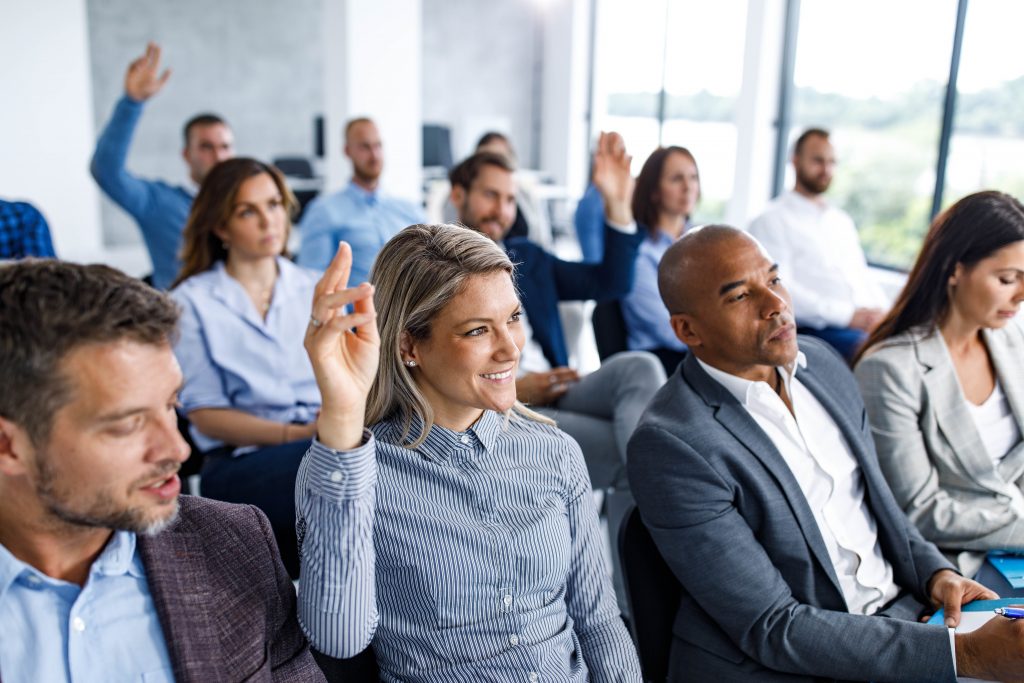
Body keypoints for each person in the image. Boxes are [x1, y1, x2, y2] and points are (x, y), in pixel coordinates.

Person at [627, 224, 1024, 682]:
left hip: (906, 618)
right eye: (740, 296)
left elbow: (882, 512)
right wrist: (964, 656)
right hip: (793, 662)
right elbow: (771, 627)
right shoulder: (671, 444)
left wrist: (937, 576)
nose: (776, 304)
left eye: (774, 280)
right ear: (688, 330)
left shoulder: (823, 366)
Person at [294, 225, 642, 681]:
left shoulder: (554, 453)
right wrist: (341, 412)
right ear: (408, 345)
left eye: (513, 318)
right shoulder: (356, 471)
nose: (510, 349)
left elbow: (599, 624)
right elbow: (339, 639)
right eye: (478, 330)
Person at [0, 260, 323, 682]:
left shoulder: (235, 547)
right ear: (9, 446)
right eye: (128, 423)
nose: (177, 448)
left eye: (171, 405)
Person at [448, 138, 666, 491]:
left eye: (509, 200)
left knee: (640, 369)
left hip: (555, 387)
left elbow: (610, 283)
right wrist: (514, 388)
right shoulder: (438, 273)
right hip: (494, 409)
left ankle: (661, 508)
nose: (502, 210)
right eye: (491, 195)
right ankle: (671, 513)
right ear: (458, 195)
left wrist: (617, 204)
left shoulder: (526, 257)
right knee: (632, 452)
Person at [855, 191, 1024, 589]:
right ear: (955, 269)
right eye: (1006, 279)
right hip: (960, 566)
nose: (1020, 295)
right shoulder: (890, 369)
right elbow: (920, 510)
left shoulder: (1013, 341)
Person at [171, 158, 320, 578]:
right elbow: (206, 415)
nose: (268, 220)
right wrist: (306, 434)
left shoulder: (315, 287)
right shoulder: (191, 301)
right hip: (240, 462)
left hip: (323, 440)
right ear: (220, 227)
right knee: (344, 465)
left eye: (274, 205)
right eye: (247, 211)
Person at [91, 42, 235, 289]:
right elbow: (107, 171)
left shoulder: (247, 203)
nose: (218, 156)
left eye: (224, 147)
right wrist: (132, 103)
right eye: (206, 147)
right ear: (186, 154)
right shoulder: (159, 202)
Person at [747, 127, 887, 361]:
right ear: (795, 160)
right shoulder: (772, 220)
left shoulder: (840, 221)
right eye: (818, 161)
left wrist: (885, 313)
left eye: (832, 162)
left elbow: (861, 276)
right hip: (814, 330)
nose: (826, 169)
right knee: (881, 355)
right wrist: (848, 316)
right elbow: (780, 291)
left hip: (859, 324)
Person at [298, 117, 424, 283]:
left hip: (410, 306)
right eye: (365, 147)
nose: (374, 155)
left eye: (378, 146)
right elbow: (311, 280)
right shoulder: (323, 211)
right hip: (357, 307)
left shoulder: (410, 209)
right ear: (347, 151)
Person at [621, 145, 701, 375]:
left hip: (699, 351)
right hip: (662, 362)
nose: (688, 187)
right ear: (654, 190)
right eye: (677, 179)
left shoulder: (703, 241)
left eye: (693, 177)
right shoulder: (639, 254)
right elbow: (668, 331)